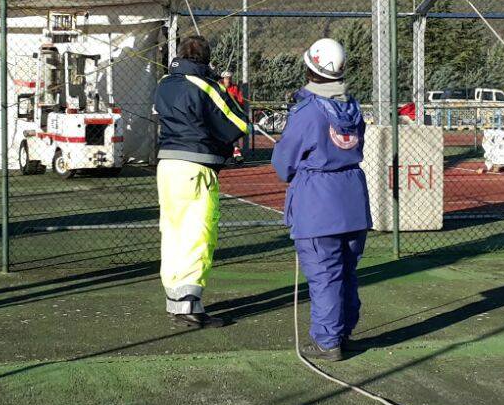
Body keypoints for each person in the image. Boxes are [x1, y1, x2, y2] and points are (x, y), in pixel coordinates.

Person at [270, 38, 371, 361]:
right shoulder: (352, 108)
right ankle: (343, 331)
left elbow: (283, 163)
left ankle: (328, 341)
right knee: (346, 270)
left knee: (324, 273)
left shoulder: (307, 112)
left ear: (310, 68)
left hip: (318, 202)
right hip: (353, 197)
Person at [153, 35, 249, 328]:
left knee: (172, 232)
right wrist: (217, 84)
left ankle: (176, 300)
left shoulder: (164, 84)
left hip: (166, 166)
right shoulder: (205, 86)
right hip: (195, 167)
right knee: (198, 235)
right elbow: (238, 122)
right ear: (206, 60)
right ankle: (190, 305)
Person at [220, 71, 246, 160]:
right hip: (221, 114)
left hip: (232, 114)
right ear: (223, 79)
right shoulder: (219, 87)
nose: (229, 80)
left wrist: (235, 100)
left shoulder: (235, 88)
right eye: (227, 78)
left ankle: (236, 152)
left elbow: (241, 101)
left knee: (234, 133)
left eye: (230, 78)